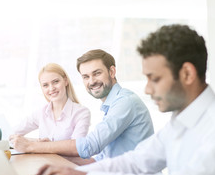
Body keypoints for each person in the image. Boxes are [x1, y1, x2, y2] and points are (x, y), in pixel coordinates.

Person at [31, 25, 215, 175]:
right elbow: (137, 160)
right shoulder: (180, 121)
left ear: (187, 74)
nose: (147, 89)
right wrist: (71, 174)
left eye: (155, 79)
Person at [11, 50, 154, 162]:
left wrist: (32, 146)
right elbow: (98, 160)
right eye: (86, 77)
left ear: (112, 72)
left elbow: (88, 146)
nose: (91, 81)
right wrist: (48, 149)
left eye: (96, 73)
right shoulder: (111, 105)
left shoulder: (125, 102)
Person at [9, 63, 91, 142]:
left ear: (65, 81)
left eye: (55, 82)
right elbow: (12, 134)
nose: (51, 88)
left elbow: (76, 147)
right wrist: (37, 142)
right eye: (45, 85)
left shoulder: (81, 113)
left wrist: (40, 144)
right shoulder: (41, 113)